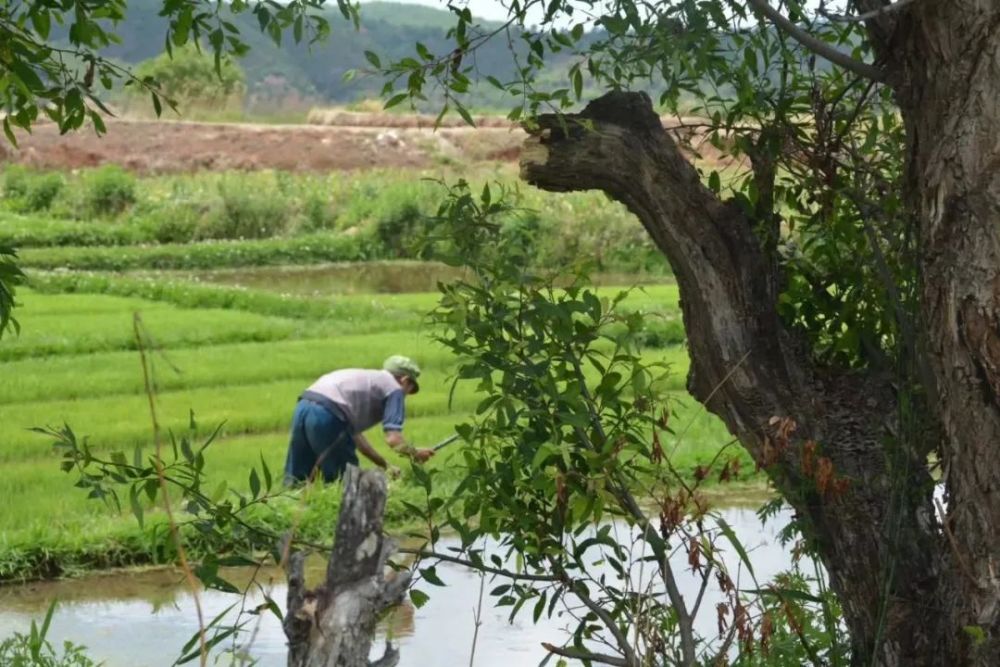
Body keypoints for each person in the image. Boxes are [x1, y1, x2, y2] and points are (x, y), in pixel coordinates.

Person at [283, 355, 435, 484]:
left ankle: (288, 512)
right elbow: (393, 439)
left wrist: (385, 465)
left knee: (298, 478)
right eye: (409, 389)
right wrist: (415, 454)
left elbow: (355, 438)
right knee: (344, 482)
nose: (406, 395)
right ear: (405, 380)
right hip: (328, 415)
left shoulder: (369, 380)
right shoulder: (394, 389)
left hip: (304, 406)